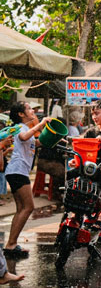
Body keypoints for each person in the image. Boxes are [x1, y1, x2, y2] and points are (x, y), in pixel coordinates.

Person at [3, 102, 51, 258]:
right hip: (17, 171)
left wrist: (50, 137)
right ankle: (11, 244)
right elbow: (24, 137)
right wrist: (40, 124)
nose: (33, 111)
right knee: (28, 207)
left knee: (21, 209)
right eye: (29, 109)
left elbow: (34, 143)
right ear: (21, 114)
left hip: (18, 171)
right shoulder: (19, 128)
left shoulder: (26, 129)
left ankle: (11, 244)